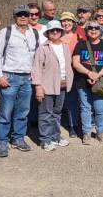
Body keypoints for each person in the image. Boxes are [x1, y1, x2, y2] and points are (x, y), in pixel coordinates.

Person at [0, 5, 40, 157]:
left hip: (27, 78)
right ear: (14, 16)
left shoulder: (34, 33)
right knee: (6, 112)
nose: (23, 17)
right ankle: (2, 141)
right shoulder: (6, 32)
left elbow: (36, 56)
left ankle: (18, 138)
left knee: (23, 111)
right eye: (19, 14)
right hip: (9, 76)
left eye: (26, 14)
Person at [31, 20, 73, 151]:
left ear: (61, 32)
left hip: (62, 85)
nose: (55, 32)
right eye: (52, 30)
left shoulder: (65, 46)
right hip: (47, 86)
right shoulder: (43, 48)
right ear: (48, 33)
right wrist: (38, 87)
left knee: (57, 112)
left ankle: (55, 136)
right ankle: (45, 139)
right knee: (45, 113)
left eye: (57, 30)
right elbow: (36, 68)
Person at [72, 20, 103, 144]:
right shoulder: (81, 44)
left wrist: (97, 75)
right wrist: (89, 73)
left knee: (100, 108)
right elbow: (75, 62)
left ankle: (100, 132)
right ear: (86, 30)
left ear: (100, 30)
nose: (93, 30)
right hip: (82, 81)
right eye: (90, 28)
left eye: (96, 28)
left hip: (100, 82)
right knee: (85, 108)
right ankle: (86, 133)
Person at [59, 11, 80, 138]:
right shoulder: (56, 37)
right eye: (64, 21)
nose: (66, 23)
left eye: (69, 21)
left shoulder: (79, 38)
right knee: (62, 100)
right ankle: (60, 125)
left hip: (76, 72)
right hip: (60, 73)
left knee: (74, 100)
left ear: (73, 23)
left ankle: (74, 125)